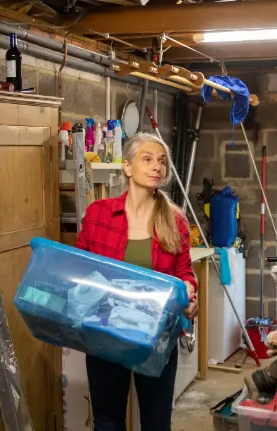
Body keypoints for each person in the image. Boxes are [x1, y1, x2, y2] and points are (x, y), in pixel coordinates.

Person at [75, 132, 198, 431]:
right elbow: (79, 268)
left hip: (156, 338)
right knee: (107, 422)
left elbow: (185, 272)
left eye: (161, 161)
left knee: (156, 423)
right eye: (147, 159)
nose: (156, 166)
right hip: (106, 334)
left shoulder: (175, 219)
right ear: (127, 167)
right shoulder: (99, 214)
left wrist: (191, 295)